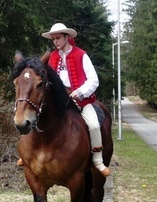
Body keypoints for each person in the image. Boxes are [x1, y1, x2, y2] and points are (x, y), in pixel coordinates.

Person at [18, 23, 110, 177]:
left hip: (79, 98)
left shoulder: (81, 55)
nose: (55, 41)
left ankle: (98, 160)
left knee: (94, 125)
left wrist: (80, 92)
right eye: (53, 39)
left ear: (67, 37)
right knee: (32, 115)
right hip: (57, 99)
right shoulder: (52, 57)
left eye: (58, 38)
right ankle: (26, 155)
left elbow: (93, 80)